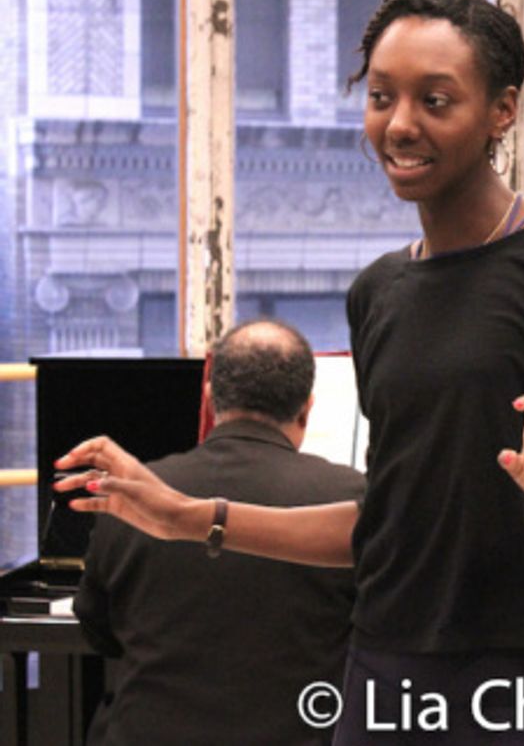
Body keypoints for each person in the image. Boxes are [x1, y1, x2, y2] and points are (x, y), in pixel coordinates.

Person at [57, 0, 524, 746]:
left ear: (502, 109)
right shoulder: (378, 290)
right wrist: (185, 516)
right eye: (380, 97)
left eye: (435, 100)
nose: (399, 124)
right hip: (380, 671)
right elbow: (386, 524)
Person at [75, 318, 366, 746]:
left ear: (210, 401)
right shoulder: (353, 501)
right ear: (307, 408)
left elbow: (98, 628)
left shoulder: (136, 495)